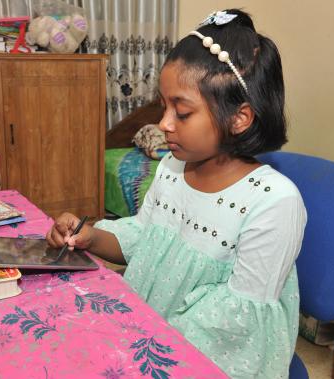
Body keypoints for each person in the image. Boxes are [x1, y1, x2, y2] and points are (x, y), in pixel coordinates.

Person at [47, 9, 306, 378]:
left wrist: (143, 345)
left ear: (239, 118)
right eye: (164, 106)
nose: (163, 124)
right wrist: (91, 237)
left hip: (213, 353)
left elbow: (235, 325)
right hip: (151, 331)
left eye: (181, 112)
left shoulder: (274, 201)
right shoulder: (171, 167)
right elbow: (145, 237)